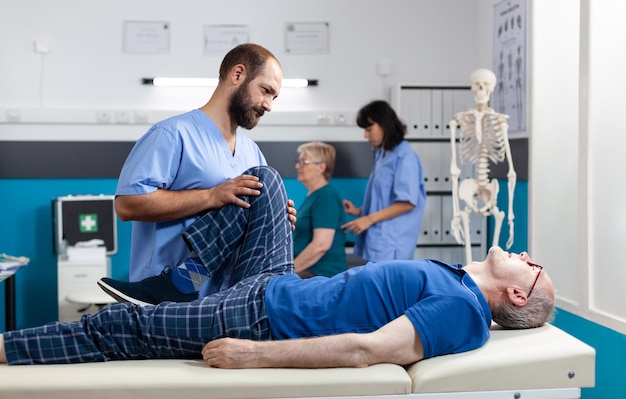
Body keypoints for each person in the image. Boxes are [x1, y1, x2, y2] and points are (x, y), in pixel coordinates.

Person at [0, 166, 555, 367]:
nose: (529, 257)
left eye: (535, 269)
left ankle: (6, 348)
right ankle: (182, 281)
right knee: (261, 183)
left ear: (517, 297)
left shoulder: (462, 312)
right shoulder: (457, 278)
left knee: (115, 328)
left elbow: (369, 351)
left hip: (261, 320)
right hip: (280, 286)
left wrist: (254, 356)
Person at [100, 43, 296, 303]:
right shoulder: (172, 134)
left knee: (266, 185)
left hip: (225, 301)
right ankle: (179, 283)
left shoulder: (253, 153)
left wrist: (275, 217)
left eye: (274, 97)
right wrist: (212, 196)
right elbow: (127, 206)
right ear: (237, 75)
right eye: (266, 91)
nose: (269, 105)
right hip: (162, 304)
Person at [342, 100, 427, 262]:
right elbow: (385, 200)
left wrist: (368, 219)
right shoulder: (383, 155)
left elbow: (407, 202)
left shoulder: (404, 157)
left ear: (384, 124)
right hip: (378, 239)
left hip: (392, 241)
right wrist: (359, 211)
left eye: (369, 129)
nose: (365, 136)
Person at [293, 141, 347, 278]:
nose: (297, 166)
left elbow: (320, 246)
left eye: (304, 162)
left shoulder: (326, 196)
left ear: (321, 167)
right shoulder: (313, 196)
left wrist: (287, 273)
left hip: (321, 274)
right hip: (310, 271)